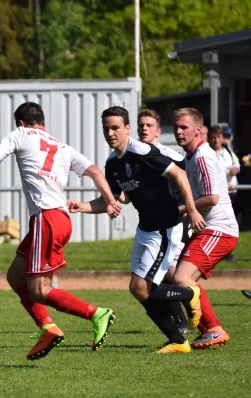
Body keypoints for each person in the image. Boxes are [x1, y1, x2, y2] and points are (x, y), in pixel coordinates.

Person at [0, 102, 119, 361]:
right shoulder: (61, 146)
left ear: (20, 123)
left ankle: (97, 313)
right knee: (15, 276)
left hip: (46, 219)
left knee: (39, 290)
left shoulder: (21, 134)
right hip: (58, 219)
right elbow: (95, 171)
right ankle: (48, 327)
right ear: (42, 122)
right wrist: (110, 200)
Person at [69, 106, 206, 354]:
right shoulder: (112, 163)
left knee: (140, 286)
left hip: (165, 227)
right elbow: (109, 200)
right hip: (145, 229)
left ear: (127, 129)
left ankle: (188, 294)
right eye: (106, 128)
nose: (110, 132)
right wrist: (82, 206)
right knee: (140, 290)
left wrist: (192, 209)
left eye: (115, 127)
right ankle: (178, 340)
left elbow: (179, 175)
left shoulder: (142, 151)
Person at [172, 108, 239, 350]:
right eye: (176, 127)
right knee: (174, 276)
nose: (179, 131)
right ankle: (201, 328)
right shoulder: (189, 156)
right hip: (207, 229)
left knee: (182, 278)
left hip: (220, 229)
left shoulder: (203, 157)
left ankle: (212, 329)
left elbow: (211, 198)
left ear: (198, 130)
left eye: (184, 127)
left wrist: (182, 209)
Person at [137, 109, 192, 336]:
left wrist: (189, 209)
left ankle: (187, 315)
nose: (144, 129)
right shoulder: (136, 156)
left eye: (149, 125)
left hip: (174, 223)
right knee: (161, 274)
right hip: (152, 225)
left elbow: (185, 185)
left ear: (158, 131)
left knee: (167, 273)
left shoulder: (174, 157)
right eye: (141, 125)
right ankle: (185, 317)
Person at [208, 126, 240, 261]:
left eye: (218, 137)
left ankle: (228, 254)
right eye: (213, 137)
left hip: (233, 193)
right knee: (220, 226)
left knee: (233, 225)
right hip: (219, 196)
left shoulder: (228, 151)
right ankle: (222, 254)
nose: (216, 140)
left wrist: (235, 169)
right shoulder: (208, 153)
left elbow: (236, 164)